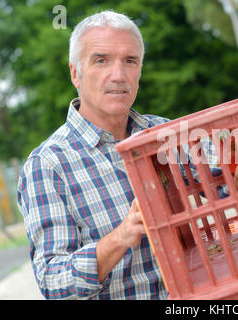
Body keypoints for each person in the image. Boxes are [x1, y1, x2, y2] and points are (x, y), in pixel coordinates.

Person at [17, 10, 171, 299]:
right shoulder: (48, 165)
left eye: (130, 61)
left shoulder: (164, 133)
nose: (119, 75)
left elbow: (230, 185)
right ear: (75, 73)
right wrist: (122, 236)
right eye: (101, 60)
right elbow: (53, 283)